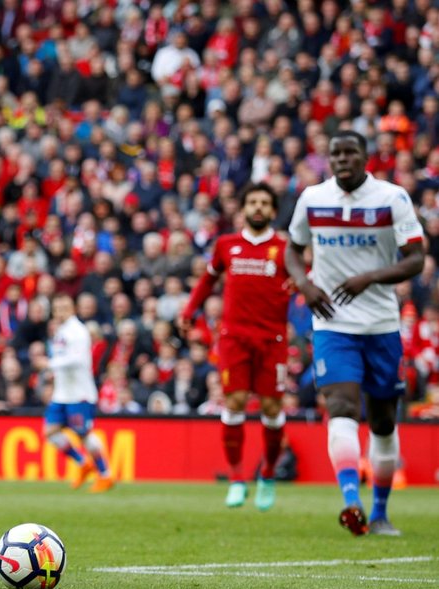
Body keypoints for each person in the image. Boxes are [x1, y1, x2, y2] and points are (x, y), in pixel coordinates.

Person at [285, 131, 425, 537]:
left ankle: (380, 512)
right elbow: (293, 249)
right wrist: (305, 285)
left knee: (382, 422)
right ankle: (351, 501)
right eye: (336, 153)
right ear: (328, 159)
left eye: (350, 152)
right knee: (342, 407)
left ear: (366, 157)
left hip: (380, 324)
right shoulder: (313, 198)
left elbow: (416, 259)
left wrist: (371, 278)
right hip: (332, 323)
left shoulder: (392, 197)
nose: (342, 159)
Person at [178, 183, 291, 511]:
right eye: (252, 201)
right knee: (235, 401)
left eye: (264, 203)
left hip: (273, 340)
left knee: (271, 409)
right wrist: (190, 310)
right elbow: (207, 280)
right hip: (234, 338)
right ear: (243, 208)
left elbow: (303, 282)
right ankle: (237, 478)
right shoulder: (227, 245)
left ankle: (267, 474)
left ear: (272, 210)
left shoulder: (284, 249)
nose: (258, 207)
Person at [39, 294, 113, 492]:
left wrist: (50, 364)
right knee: (49, 432)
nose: (60, 311)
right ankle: (83, 463)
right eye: (57, 307)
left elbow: (79, 359)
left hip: (79, 393)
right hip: (62, 393)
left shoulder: (78, 331)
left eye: (65, 306)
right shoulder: (61, 331)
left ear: (72, 309)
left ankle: (105, 474)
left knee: (83, 434)